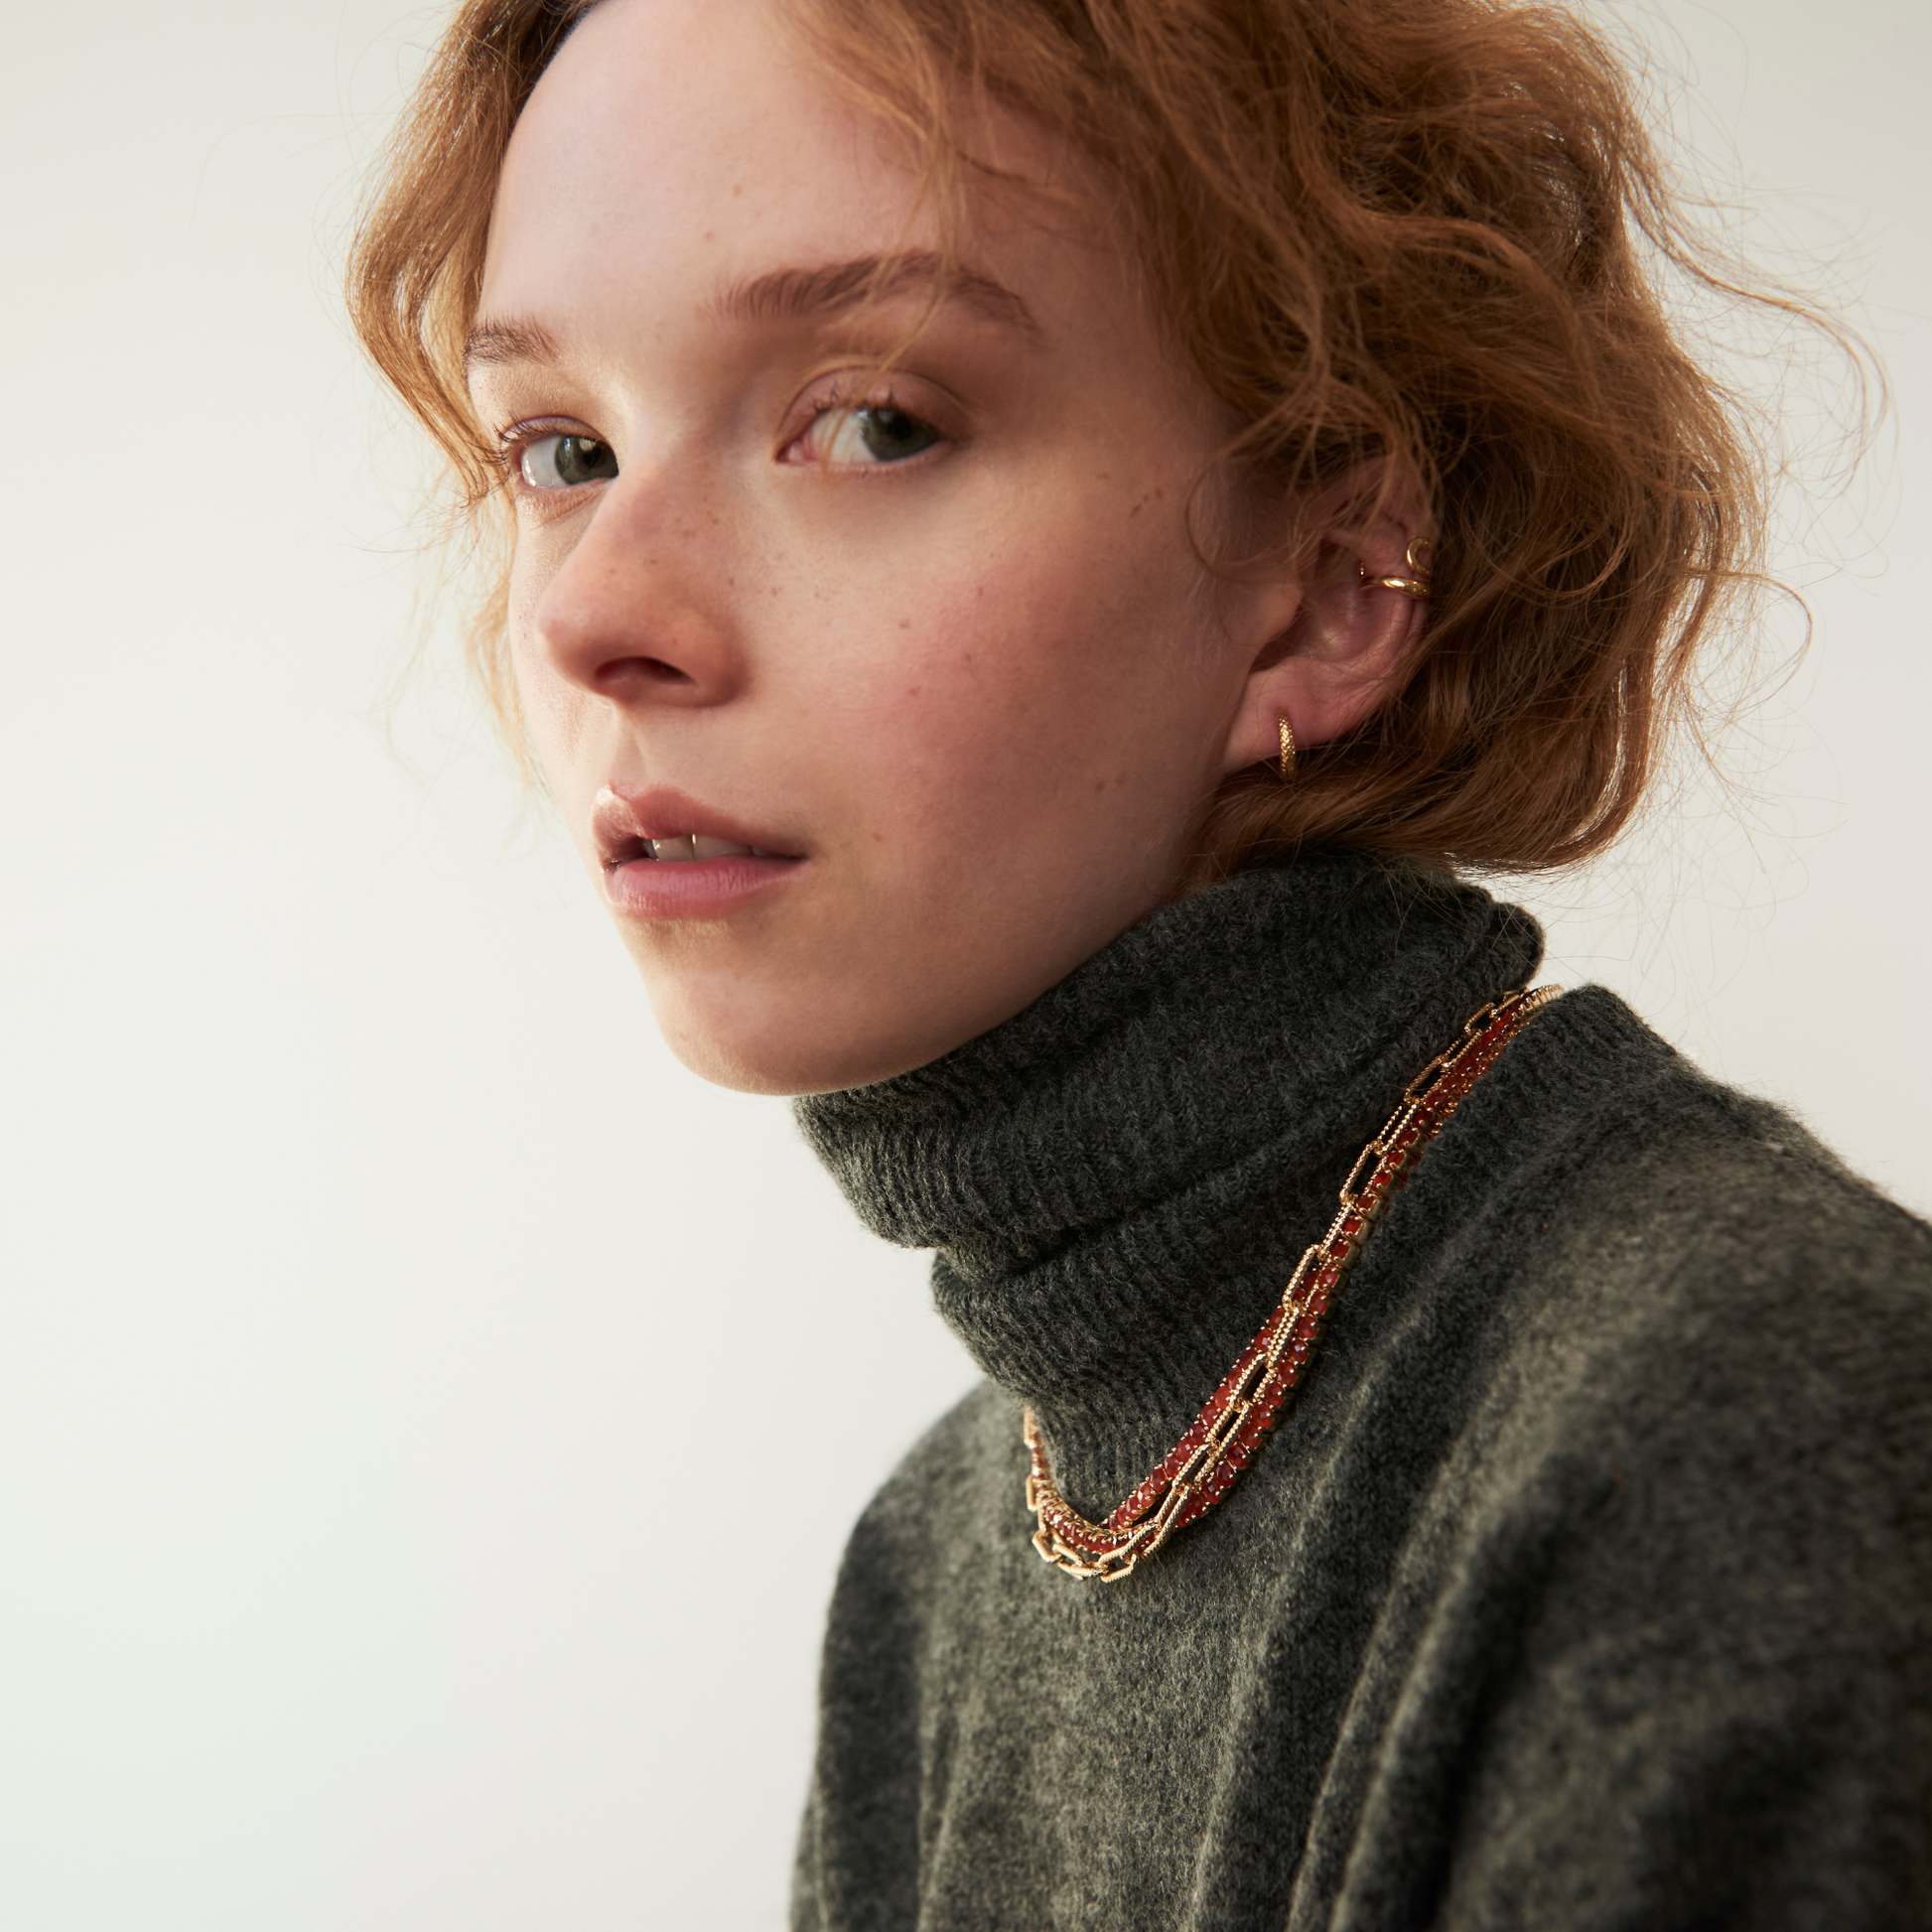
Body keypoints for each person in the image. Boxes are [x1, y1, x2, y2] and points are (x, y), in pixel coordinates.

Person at [347, 0, 1932, 1923]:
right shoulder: (940, 1560)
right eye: (563, 444)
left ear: (1334, 583)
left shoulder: (1728, 1424)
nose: (598, 611)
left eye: (871, 421)